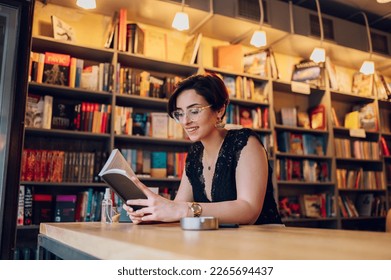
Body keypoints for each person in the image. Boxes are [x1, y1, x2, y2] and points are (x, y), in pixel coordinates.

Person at [123, 73, 282, 225]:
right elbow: (179, 206)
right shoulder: (194, 154)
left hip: (262, 243)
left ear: (219, 109)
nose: (185, 121)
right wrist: (151, 214)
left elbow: (249, 210)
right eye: (180, 113)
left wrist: (182, 209)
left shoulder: (245, 142)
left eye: (194, 111)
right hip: (219, 245)